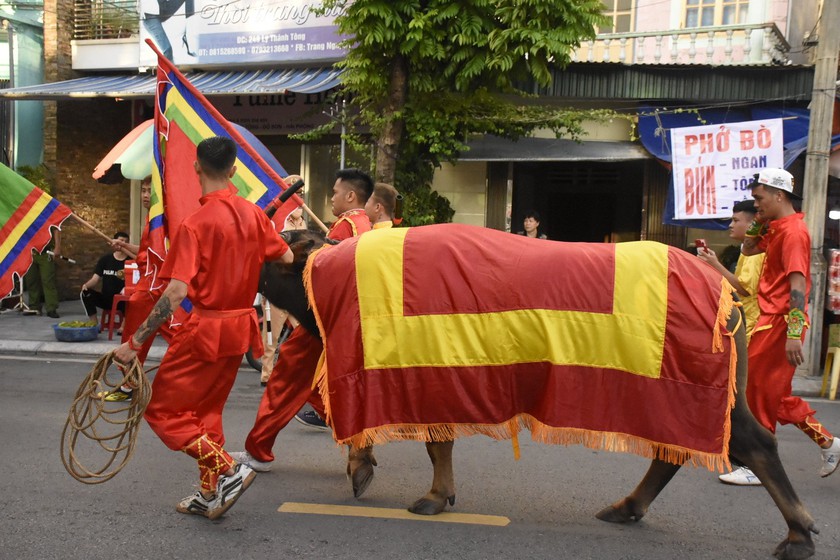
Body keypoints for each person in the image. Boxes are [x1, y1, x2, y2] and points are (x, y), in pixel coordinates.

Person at [113, 136, 292, 519]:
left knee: (163, 412)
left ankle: (229, 469)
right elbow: (287, 254)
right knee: (207, 413)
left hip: (206, 329)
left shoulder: (194, 225)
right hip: (240, 326)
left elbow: (175, 292)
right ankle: (208, 494)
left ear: (196, 168)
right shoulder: (254, 215)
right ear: (233, 171)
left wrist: (135, 342)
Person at [232, 168, 373, 470]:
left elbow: (318, 275)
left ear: (350, 196)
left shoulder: (344, 229)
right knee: (315, 387)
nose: (332, 198)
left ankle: (259, 451)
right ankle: (355, 438)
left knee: (284, 381)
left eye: (335, 192)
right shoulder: (364, 225)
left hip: (320, 321)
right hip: (341, 322)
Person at [718, 168, 839, 486]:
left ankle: (755, 465)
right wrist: (761, 217)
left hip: (780, 323)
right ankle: (829, 443)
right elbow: (748, 248)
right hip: (771, 322)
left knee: (756, 391)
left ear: (778, 195)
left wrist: (794, 334)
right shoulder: (776, 227)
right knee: (774, 394)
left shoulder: (794, 232)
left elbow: (798, 285)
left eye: (759, 199)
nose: (755, 205)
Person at [100, 177, 177, 402]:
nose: (145, 195)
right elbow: (144, 253)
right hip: (152, 285)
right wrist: (124, 246)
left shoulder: (163, 219)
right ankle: (130, 385)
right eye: (142, 190)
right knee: (176, 336)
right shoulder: (152, 219)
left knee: (134, 336)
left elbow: (157, 256)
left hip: (154, 287)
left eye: (149, 191)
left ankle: (130, 386)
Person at [260, 175, 307, 387]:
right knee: (272, 335)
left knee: (304, 334)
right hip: (279, 285)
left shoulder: (303, 222)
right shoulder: (277, 221)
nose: (299, 199)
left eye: (302, 195)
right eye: (295, 194)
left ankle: (296, 373)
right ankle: (267, 375)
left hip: (298, 286)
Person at [696, 199, 766, 336]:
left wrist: (715, 264)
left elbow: (745, 288)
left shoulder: (755, 252)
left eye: (735, 220)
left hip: (751, 323)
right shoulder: (747, 250)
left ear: (752, 224)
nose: (730, 225)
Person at [81, 232, 130, 324]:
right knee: (85, 293)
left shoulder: (131, 260)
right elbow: (95, 279)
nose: (122, 244)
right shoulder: (105, 260)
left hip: (123, 300)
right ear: (114, 243)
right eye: (120, 241)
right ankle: (94, 323)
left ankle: (124, 325)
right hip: (106, 299)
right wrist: (86, 285)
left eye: (125, 242)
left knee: (133, 298)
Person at [25, 228, 62, 318]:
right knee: (31, 280)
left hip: (46, 251)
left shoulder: (44, 214)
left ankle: (51, 308)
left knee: (48, 280)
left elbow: (56, 228)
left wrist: (57, 247)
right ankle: (34, 306)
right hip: (29, 251)